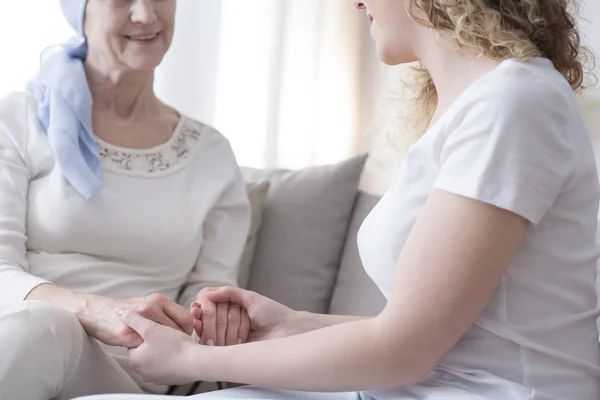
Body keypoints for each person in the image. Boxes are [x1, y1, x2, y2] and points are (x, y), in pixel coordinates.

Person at [76, 0, 600, 399]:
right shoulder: (477, 106)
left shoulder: (514, 103)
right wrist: (291, 325)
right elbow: (436, 334)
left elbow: (404, 350)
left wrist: (190, 360)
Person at [0, 0, 251, 399]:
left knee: (47, 329)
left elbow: (209, 289)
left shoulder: (211, 155)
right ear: (79, 12)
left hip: (127, 375)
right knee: (45, 326)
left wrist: (215, 312)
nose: (146, 15)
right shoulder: (18, 118)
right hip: (17, 338)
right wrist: (92, 311)